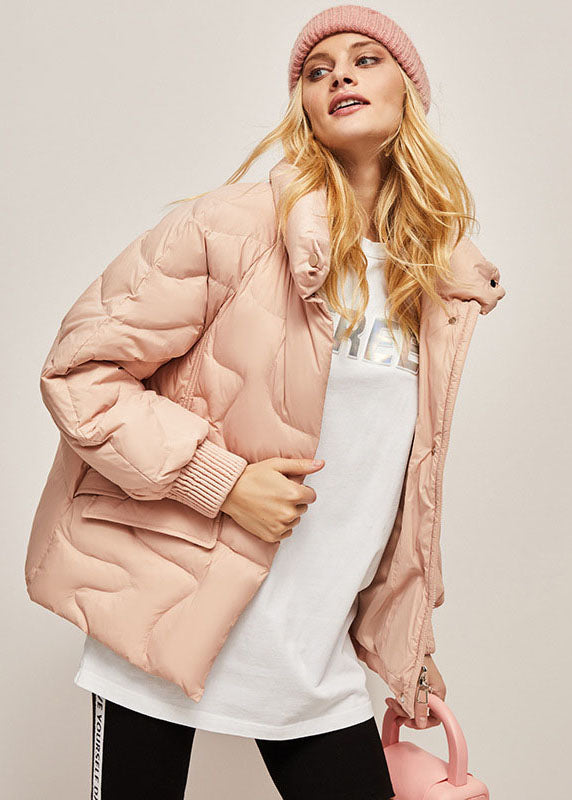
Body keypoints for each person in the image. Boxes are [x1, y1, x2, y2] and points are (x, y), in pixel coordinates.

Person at [25, 5, 506, 799]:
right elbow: (80, 371)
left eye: (366, 59)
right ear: (305, 107)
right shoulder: (236, 227)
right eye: (318, 70)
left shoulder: (435, 279)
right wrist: (220, 481)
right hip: (164, 631)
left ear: (409, 94)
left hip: (311, 660)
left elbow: (389, 486)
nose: (340, 74)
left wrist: (406, 646)